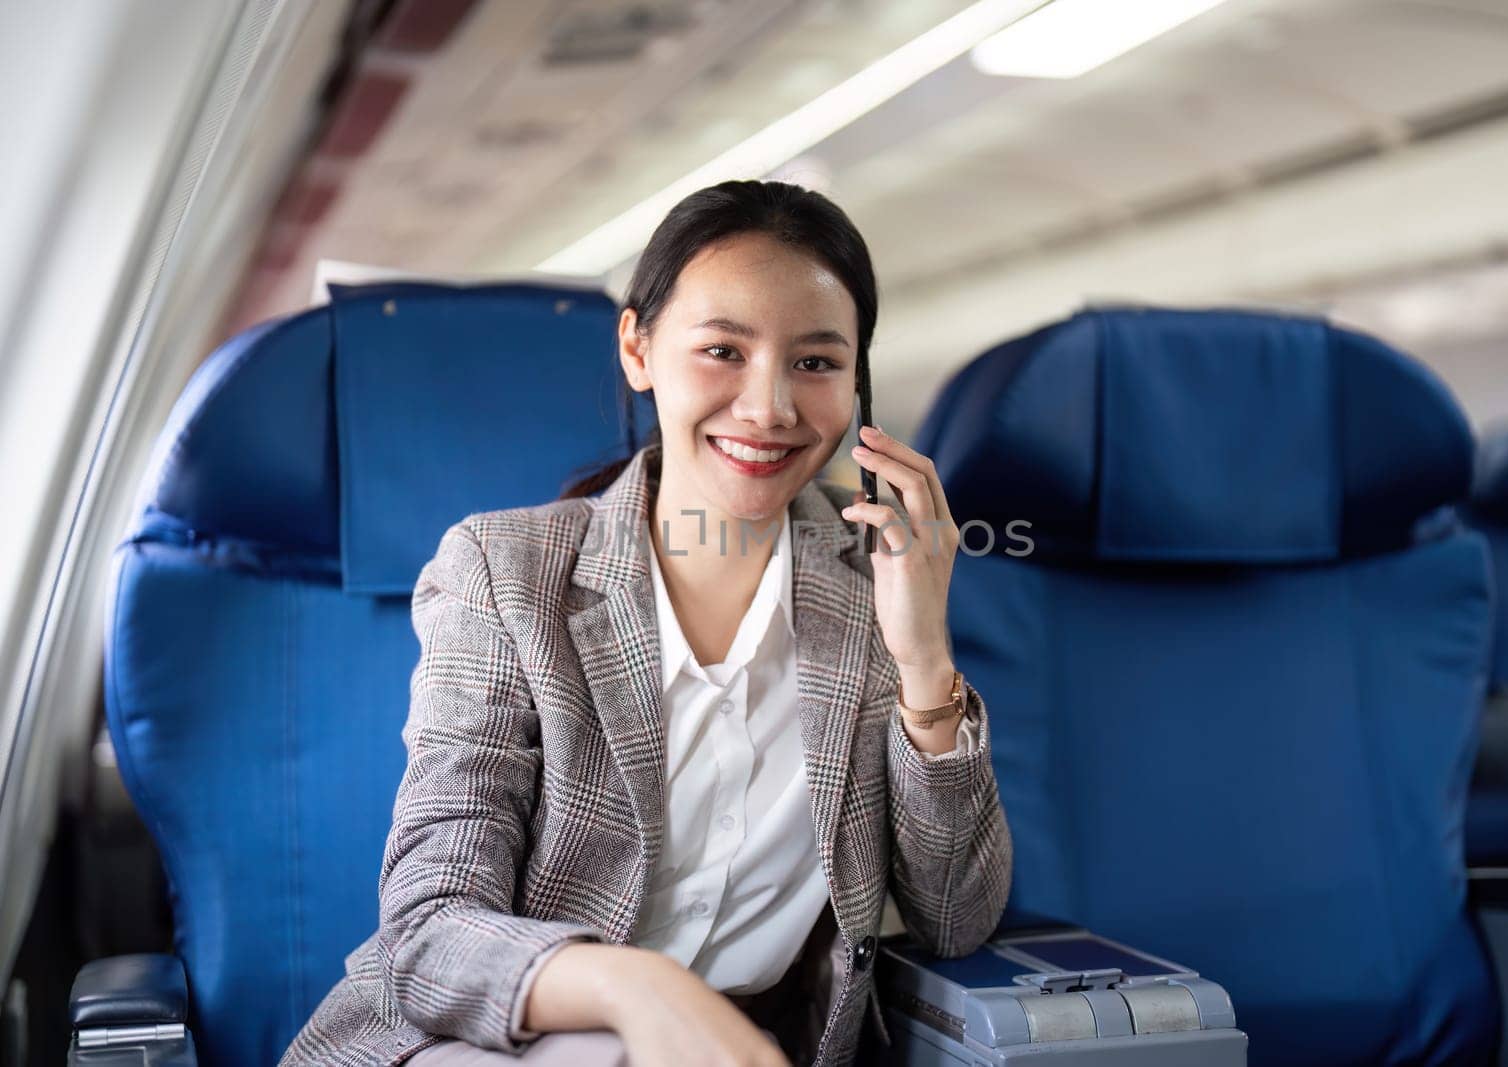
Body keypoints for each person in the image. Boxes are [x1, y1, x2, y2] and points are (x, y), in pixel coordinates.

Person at [280, 180, 1012, 1067]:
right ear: (638, 348)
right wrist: (640, 992)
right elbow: (429, 935)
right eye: (722, 351)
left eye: (816, 363)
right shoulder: (505, 575)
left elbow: (955, 918)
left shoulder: (876, 589)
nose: (770, 406)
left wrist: (923, 657)